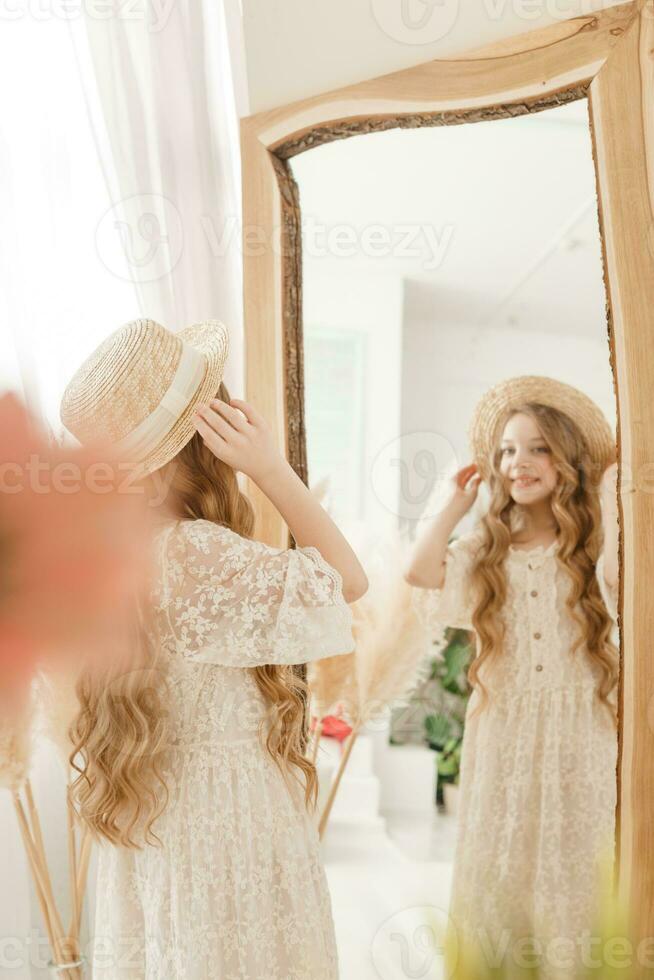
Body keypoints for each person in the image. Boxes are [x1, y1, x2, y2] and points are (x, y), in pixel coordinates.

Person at [59, 317, 368, 980]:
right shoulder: (196, 553)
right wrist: (272, 470)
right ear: (205, 438)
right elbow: (347, 581)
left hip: (157, 820)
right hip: (230, 828)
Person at [404, 375, 619, 979]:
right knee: (501, 863)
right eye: (506, 450)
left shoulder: (595, 543)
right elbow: (420, 574)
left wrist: (610, 495)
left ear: (566, 459)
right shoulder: (487, 546)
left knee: (577, 860)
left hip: (583, 724)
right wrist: (453, 504)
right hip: (504, 724)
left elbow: (632, 589)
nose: (517, 462)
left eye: (536, 447)